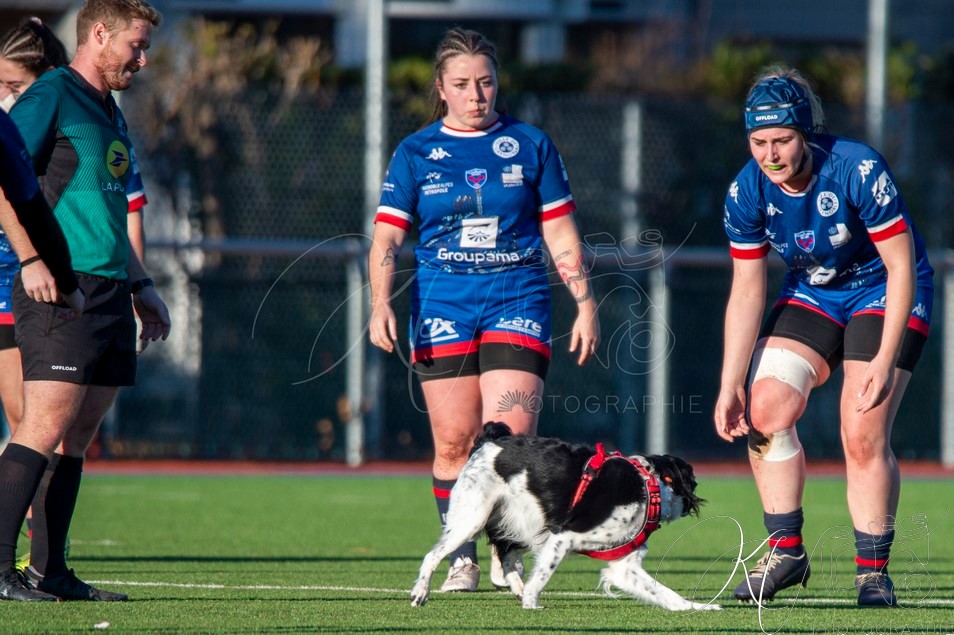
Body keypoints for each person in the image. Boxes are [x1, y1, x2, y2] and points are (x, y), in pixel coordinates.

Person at [368, 27, 600, 592]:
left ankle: (508, 552)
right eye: (463, 85)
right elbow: (386, 239)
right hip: (443, 304)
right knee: (454, 441)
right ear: (441, 90)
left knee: (512, 439)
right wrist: (380, 302)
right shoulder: (416, 152)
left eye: (486, 82)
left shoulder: (530, 144)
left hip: (517, 298)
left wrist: (585, 302)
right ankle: (462, 557)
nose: (477, 95)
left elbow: (561, 231)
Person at [714, 65, 933, 607]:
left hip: (884, 289)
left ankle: (872, 572)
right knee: (764, 410)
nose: (771, 154)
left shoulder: (857, 168)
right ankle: (786, 552)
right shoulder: (745, 191)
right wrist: (730, 382)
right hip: (813, 293)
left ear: (806, 133)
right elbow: (746, 289)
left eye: (783, 140)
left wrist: (884, 356)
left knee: (861, 430)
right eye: (759, 141)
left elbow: (902, 267)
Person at [0, 0, 169, 602]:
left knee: (78, 434)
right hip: (60, 288)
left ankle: (50, 572)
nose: (142, 58)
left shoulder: (109, 111)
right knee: (42, 424)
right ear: (100, 34)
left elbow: (109, 216)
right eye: (136, 45)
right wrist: (32, 259)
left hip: (108, 289)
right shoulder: (52, 93)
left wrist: (143, 285)